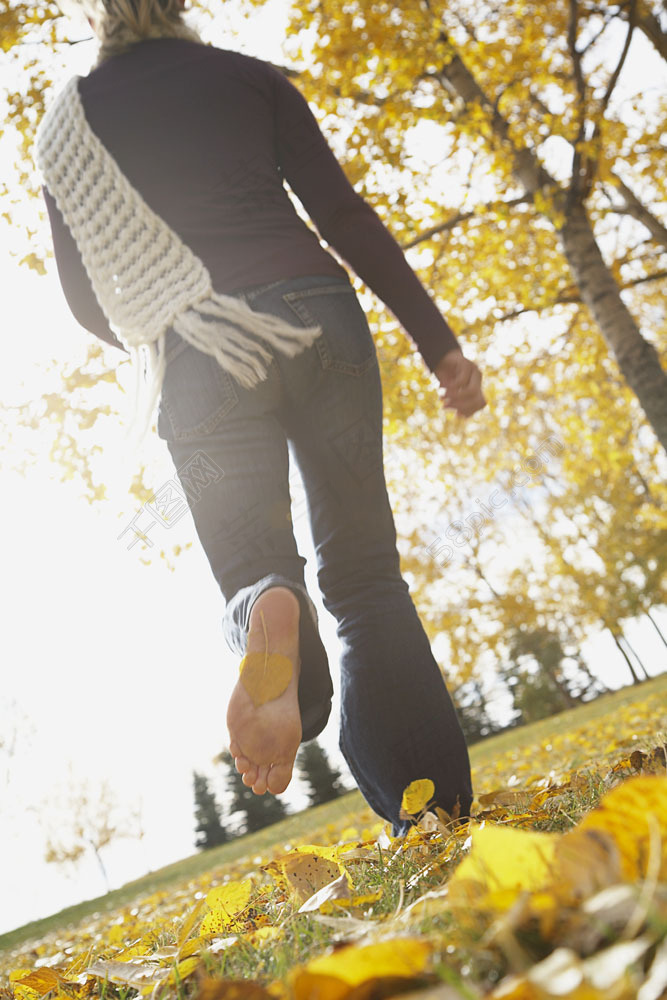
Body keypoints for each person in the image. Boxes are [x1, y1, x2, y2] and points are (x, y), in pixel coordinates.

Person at [39, 0, 486, 834]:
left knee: (252, 561)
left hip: (200, 349)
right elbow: (344, 215)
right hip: (320, 319)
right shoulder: (249, 79)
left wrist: (165, 337)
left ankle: (264, 602)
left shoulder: (72, 120)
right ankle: (438, 822)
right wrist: (438, 344)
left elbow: (83, 299)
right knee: (364, 576)